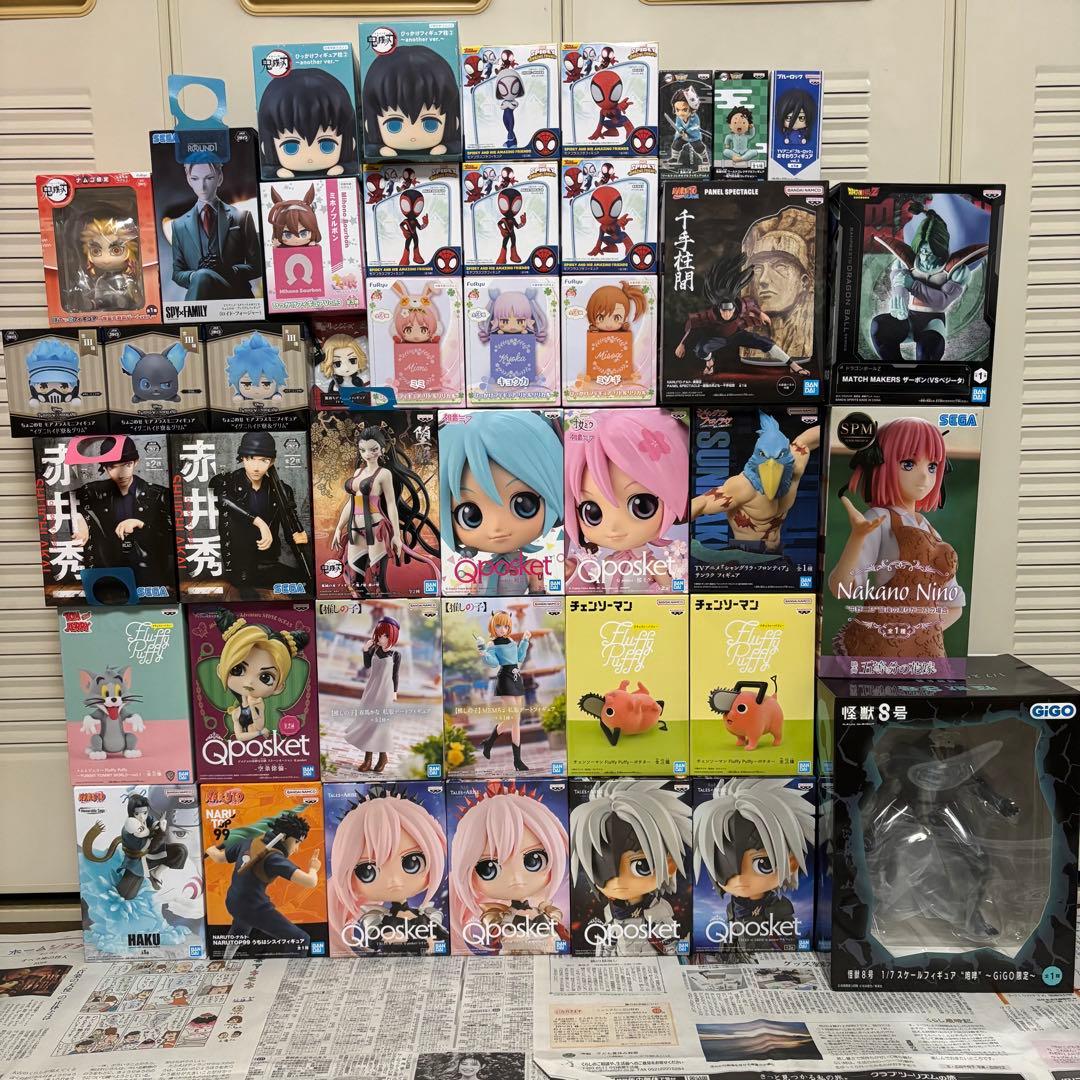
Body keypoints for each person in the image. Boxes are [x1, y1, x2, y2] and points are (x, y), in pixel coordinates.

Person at [693, 779, 814, 950]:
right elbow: (732, 934)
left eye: (763, 863)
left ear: (791, 862)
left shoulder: (781, 906)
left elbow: (789, 940)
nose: (740, 878)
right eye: (722, 864)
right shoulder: (733, 907)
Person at [210, 431, 310, 598]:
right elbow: (223, 501)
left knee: (304, 583)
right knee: (247, 593)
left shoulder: (282, 490)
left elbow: (289, 526)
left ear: (272, 462)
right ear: (242, 458)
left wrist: (298, 535)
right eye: (251, 459)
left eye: (264, 460)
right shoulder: (227, 482)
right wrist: (259, 522)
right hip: (240, 567)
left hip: (268, 563)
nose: (256, 467)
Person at [205, 810, 320, 955]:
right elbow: (310, 882)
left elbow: (219, 857)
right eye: (296, 842)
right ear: (283, 837)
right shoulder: (273, 858)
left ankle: (226, 959)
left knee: (241, 926)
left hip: (233, 901)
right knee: (300, 939)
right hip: (253, 907)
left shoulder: (249, 842)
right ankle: (291, 968)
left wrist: (210, 849)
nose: (297, 849)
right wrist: (313, 868)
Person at [70, 435, 174, 594]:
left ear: (136, 462)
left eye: (127, 464)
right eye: (113, 467)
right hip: (110, 574)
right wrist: (79, 518)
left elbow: (173, 536)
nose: (121, 473)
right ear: (105, 468)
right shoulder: (95, 491)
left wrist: (141, 524)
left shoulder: (159, 494)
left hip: (150, 574)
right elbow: (63, 500)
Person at [169, 161, 261, 301]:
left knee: (202, 276)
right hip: (202, 297)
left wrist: (229, 270)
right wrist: (195, 275)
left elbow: (257, 266)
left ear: (220, 178)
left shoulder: (242, 217)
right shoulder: (178, 225)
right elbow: (177, 273)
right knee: (201, 276)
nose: (202, 186)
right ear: (189, 180)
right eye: (195, 179)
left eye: (209, 178)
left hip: (236, 297)